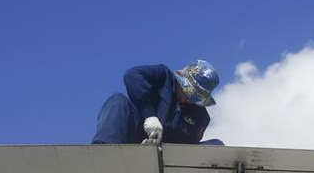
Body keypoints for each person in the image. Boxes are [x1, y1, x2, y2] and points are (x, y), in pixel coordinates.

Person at [92, 61, 223, 146]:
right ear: (181, 81)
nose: (189, 100)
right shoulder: (163, 76)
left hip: (169, 156)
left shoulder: (201, 118)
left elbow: (191, 145)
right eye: (188, 93)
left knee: (217, 146)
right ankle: (103, 154)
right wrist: (149, 115)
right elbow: (132, 75)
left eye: (194, 98)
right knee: (117, 101)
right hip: (134, 139)